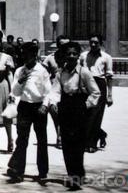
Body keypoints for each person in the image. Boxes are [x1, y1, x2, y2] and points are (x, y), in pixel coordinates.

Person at [46, 41, 101, 191]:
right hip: (65, 108)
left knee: (77, 144)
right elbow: (55, 91)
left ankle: (77, 175)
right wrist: (53, 103)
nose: (71, 56)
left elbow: (96, 92)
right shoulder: (60, 73)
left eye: (74, 54)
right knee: (67, 144)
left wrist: (86, 105)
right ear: (64, 55)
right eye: (68, 53)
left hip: (80, 108)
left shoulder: (84, 72)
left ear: (78, 56)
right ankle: (72, 174)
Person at [6, 42, 51, 184]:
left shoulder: (42, 71)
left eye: (29, 55)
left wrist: (45, 105)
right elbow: (15, 92)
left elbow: (48, 92)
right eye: (23, 55)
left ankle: (43, 172)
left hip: (39, 107)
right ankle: (18, 171)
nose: (26, 58)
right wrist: (20, 82)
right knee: (22, 140)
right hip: (24, 107)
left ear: (35, 55)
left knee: (41, 140)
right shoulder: (20, 70)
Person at [80, 33, 113, 153]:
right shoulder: (83, 56)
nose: (93, 45)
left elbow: (109, 77)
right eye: (91, 42)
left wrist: (109, 95)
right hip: (86, 85)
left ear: (101, 44)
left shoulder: (106, 57)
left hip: (100, 85)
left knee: (96, 115)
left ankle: (91, 143)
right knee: (85, 115)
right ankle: (101, 134)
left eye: (96, 43)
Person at [43, 35, 70, 148]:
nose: (65, 48)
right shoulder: (50, 58)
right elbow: (43, 74)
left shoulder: (72, 58)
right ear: (58, 45)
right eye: (62, 45)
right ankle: (60, 137)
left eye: (67, 45)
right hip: (54, 91)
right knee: (55, 113)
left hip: (69, 90)